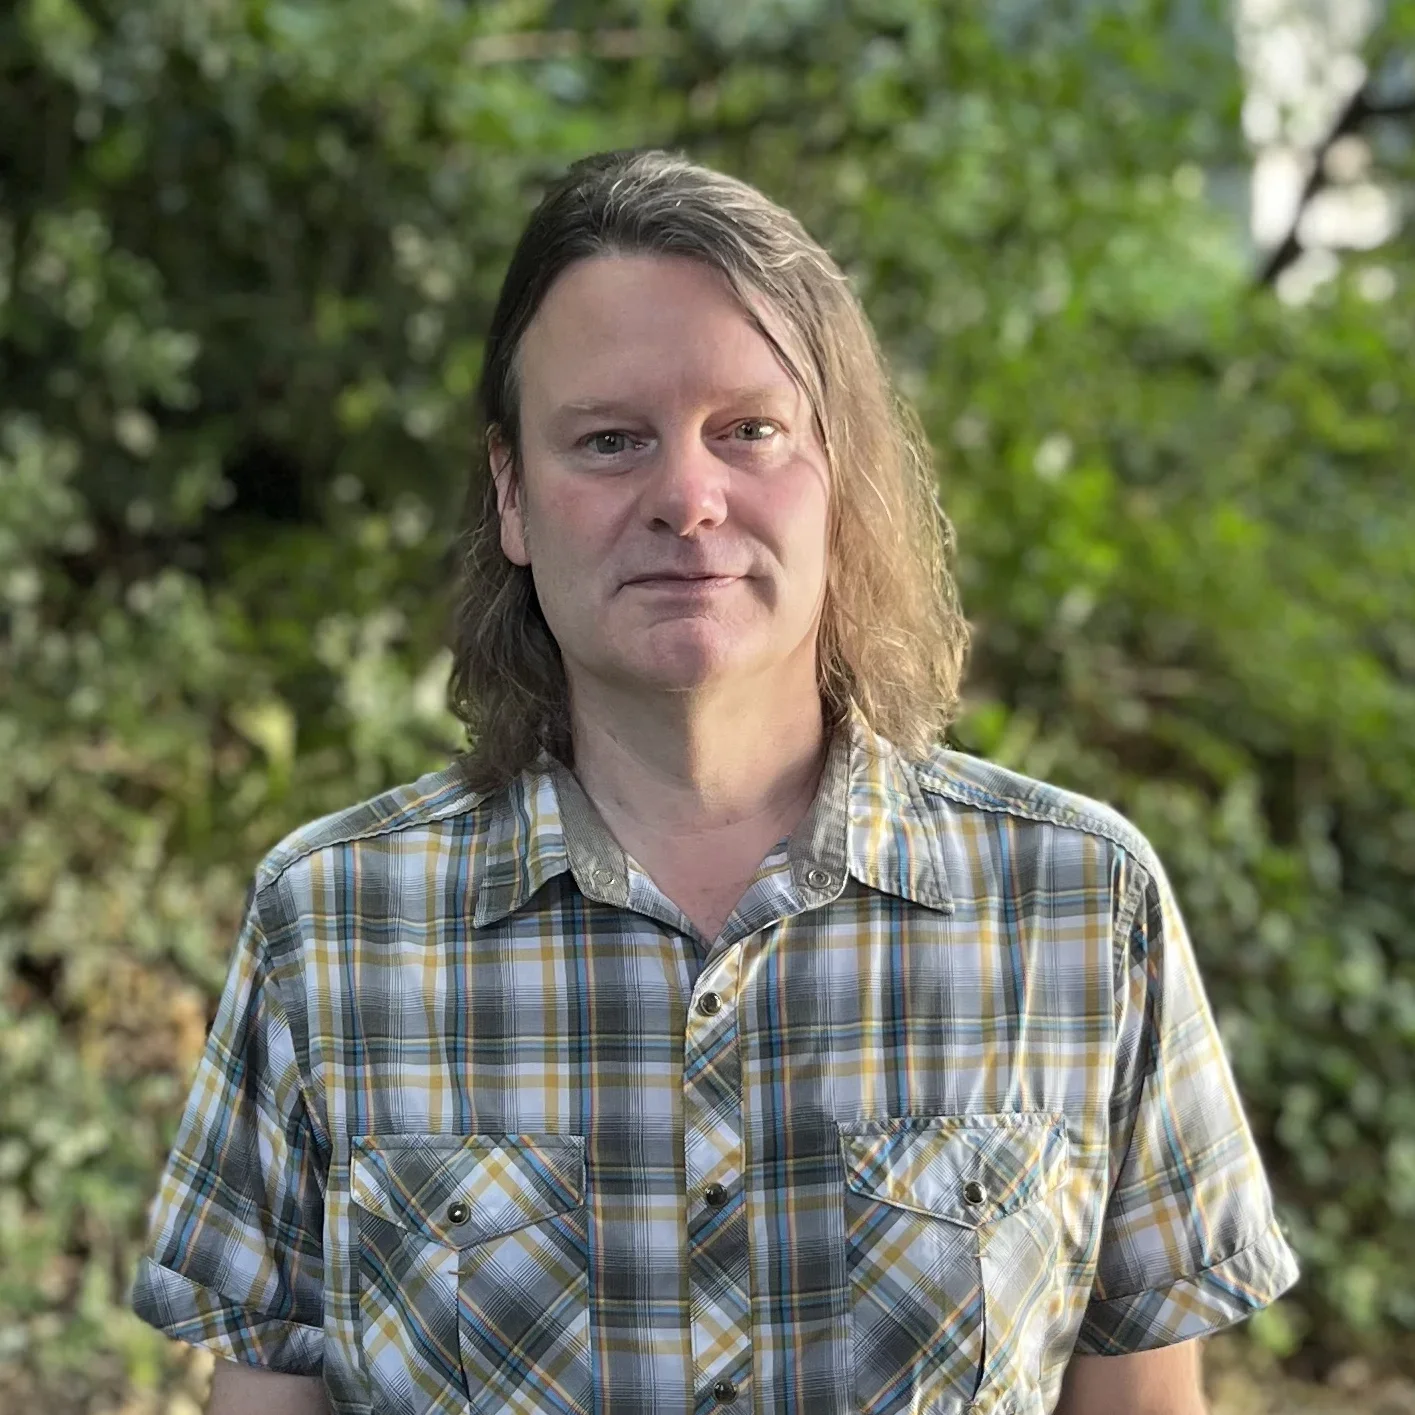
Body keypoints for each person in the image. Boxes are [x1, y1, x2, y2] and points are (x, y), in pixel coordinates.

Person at [130, 147, 1299, 1415]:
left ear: (836, 473)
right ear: (513, 495)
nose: (687, 497)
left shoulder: (1078, 906)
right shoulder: (334, 924)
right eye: (610, 439)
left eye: (748, 429)